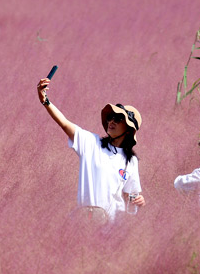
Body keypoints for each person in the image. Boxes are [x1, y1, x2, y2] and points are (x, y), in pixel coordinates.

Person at [37, 77, 145, 223]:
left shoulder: (131, 161)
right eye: (111, 117)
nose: (112, 121)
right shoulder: (91, 143)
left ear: (129, 130)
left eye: (119, 118)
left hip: (113, 227)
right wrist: (45, 101)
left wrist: (138, 201)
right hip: (84, 223)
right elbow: (64, 123)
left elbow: (129, 197)